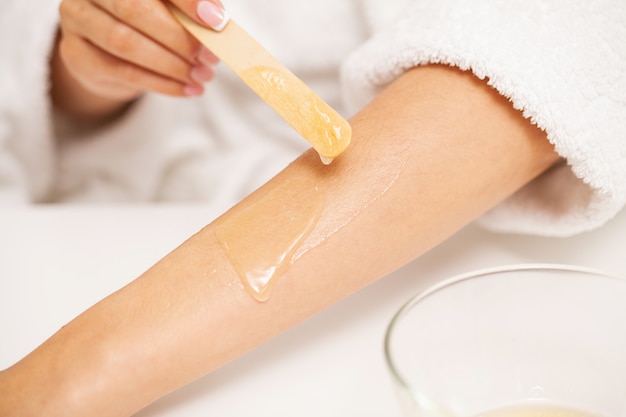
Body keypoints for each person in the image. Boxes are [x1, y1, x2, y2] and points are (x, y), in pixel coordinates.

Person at [0, 0, 624, 415]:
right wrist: (100, 61)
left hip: (446, 258)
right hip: (87, 227)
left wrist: (63, 382)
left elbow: (560, 52)